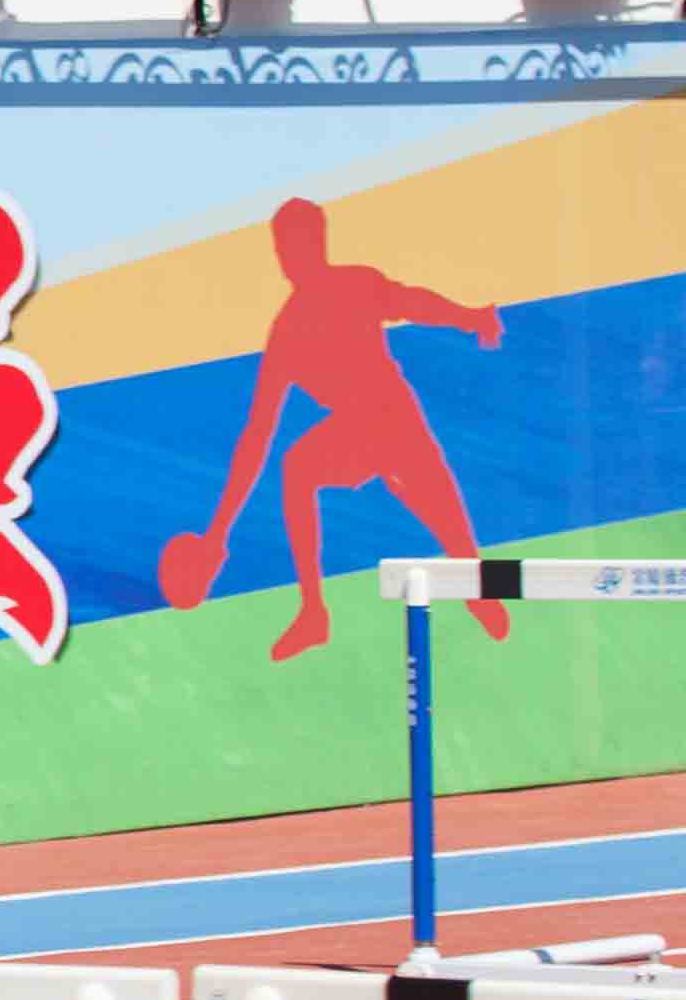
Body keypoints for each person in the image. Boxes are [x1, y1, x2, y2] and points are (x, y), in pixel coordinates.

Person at [162, 195, 509, 663]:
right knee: (297, 467)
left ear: (318, 244)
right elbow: (256, 437)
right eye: (283, 249)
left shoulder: (354, 284)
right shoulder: (286, 331)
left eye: (298, 245)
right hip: (357, 429)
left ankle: (478, 589)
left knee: (438, 508)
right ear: (279, 255)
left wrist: (470, 316)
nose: (290, 258)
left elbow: (414, 303)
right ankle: (313, 613)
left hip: (393, 416)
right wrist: (218, 533)